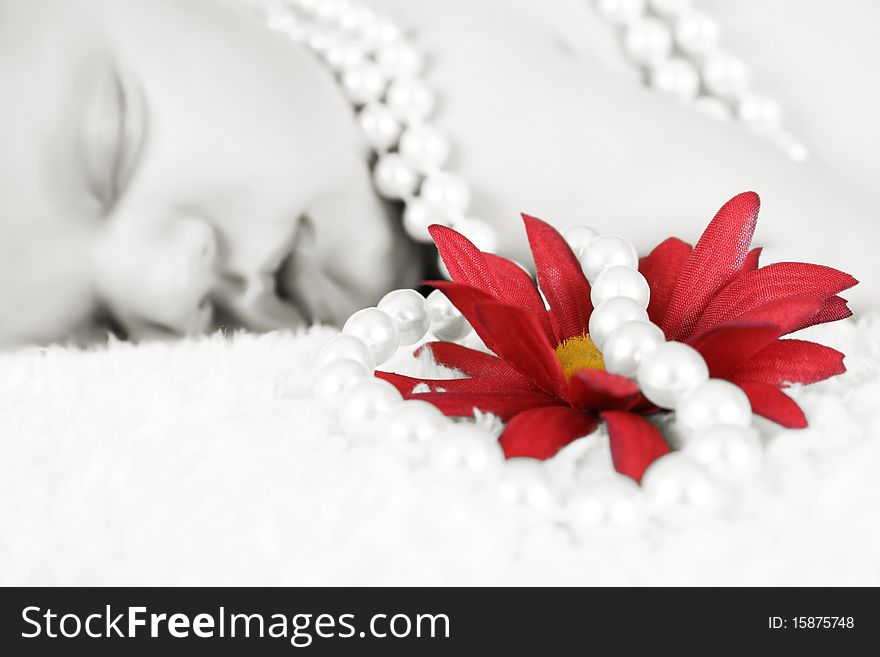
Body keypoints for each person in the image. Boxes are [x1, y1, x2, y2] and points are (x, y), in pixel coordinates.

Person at [0, 0, 875, 348]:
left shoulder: (460, 113)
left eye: (113, 146)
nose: (165, 284)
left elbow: (844, 269)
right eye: (99, 327)